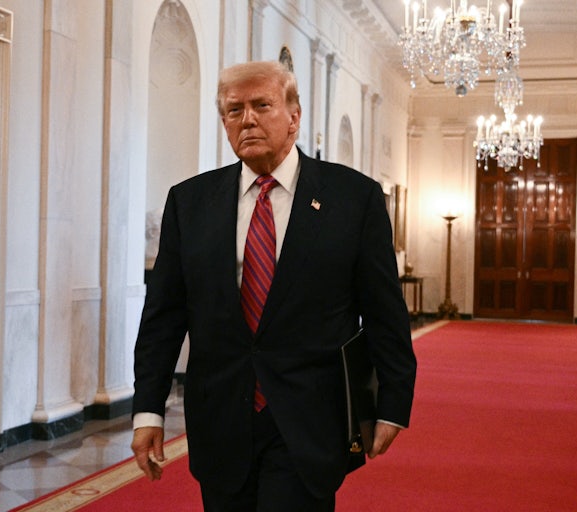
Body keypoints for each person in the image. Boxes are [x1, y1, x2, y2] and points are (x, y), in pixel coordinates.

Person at [131, 60, 416, 512]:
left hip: (310, 419)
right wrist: (148, 409)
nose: (247, 119)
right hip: (221, 421)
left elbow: (384, 312)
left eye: (262, 105)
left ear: (294, 117)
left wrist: (393, 402)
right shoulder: (190, 202)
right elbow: (163, 317)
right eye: (234, 110)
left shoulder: (353, 199)